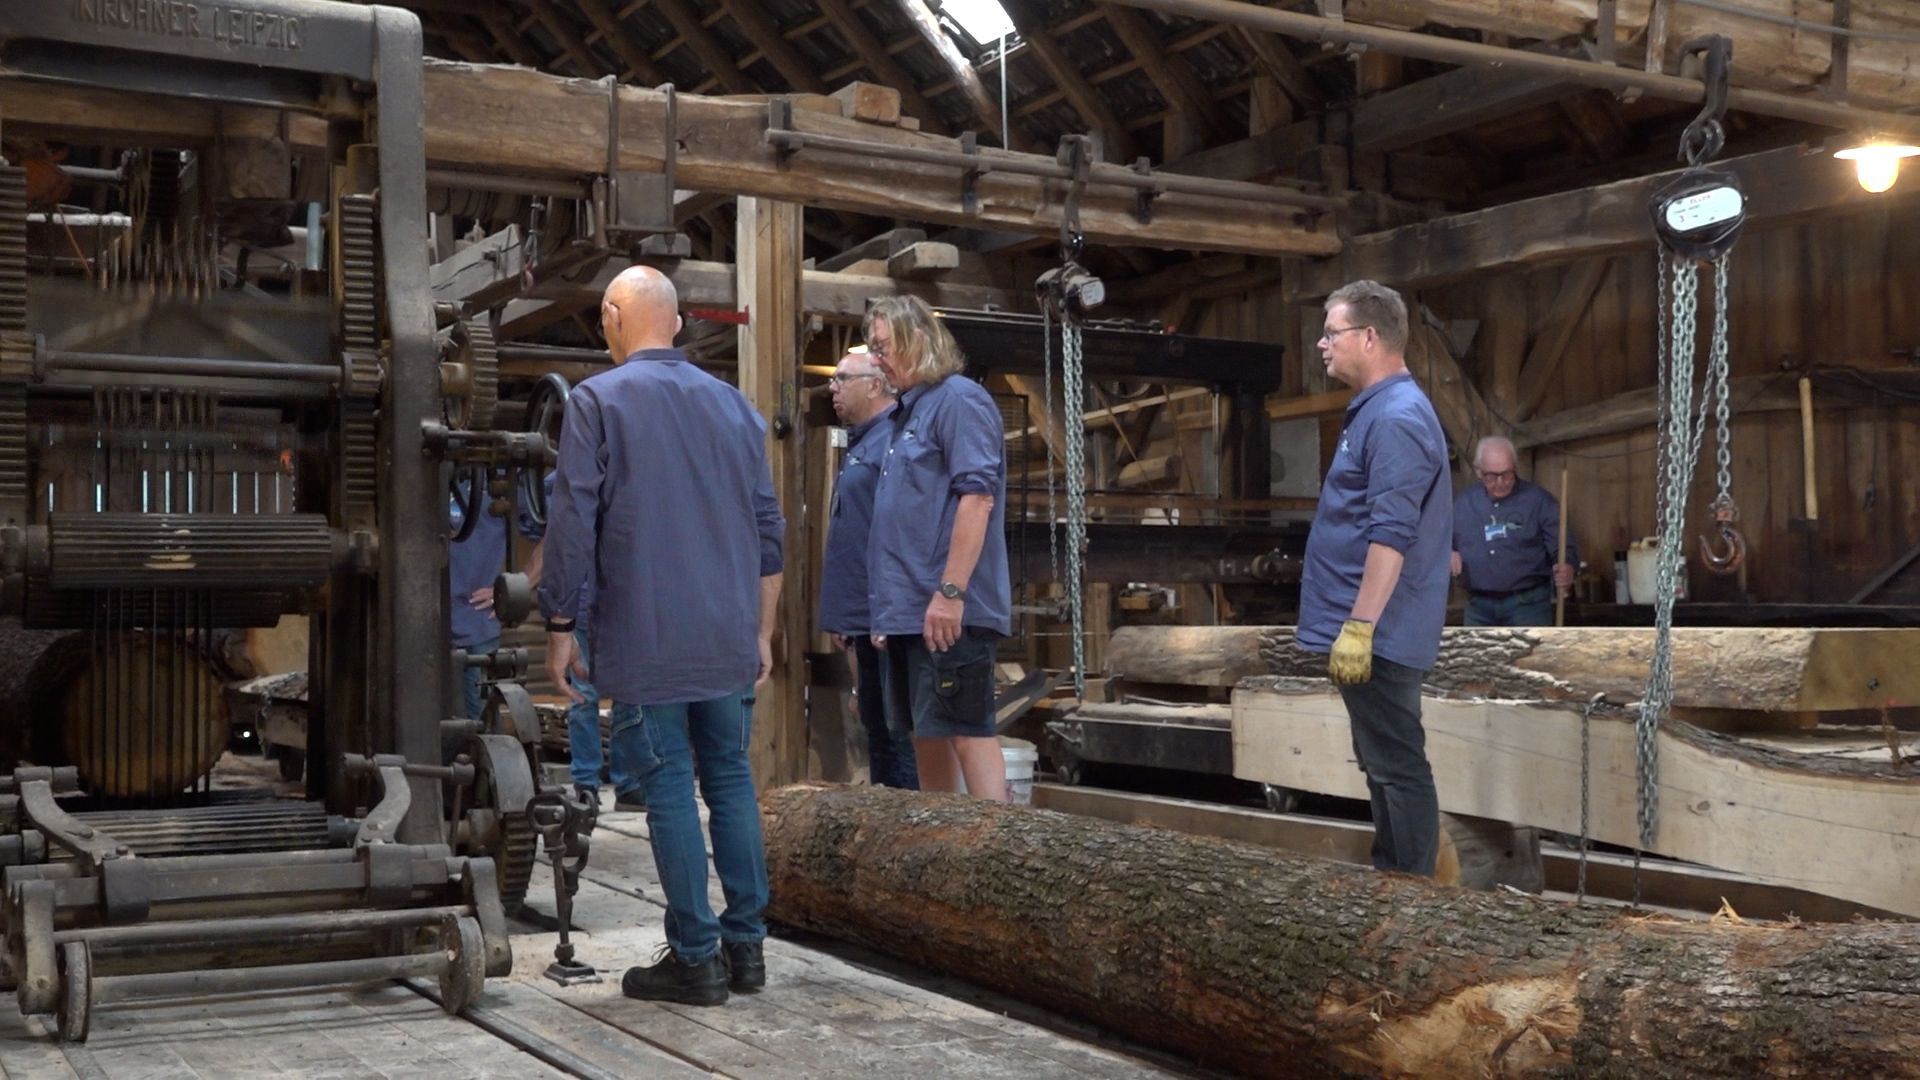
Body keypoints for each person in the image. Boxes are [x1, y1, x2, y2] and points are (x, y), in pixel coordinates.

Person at [538, 265, 783, 1006]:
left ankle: (696, 959)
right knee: (730, 779)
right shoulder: (736, 407)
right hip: (727, 632)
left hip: (646, 635)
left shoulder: (597, 401)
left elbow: (572, 521)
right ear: (674, 323)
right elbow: (768, 530)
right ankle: (746, 951)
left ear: (613, 318)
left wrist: (559, 621)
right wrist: (763, 629)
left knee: (671, 784)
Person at [1296, 280, 1450, 877]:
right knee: (1381, 762)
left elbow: (1391, 535)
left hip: (1380, 631)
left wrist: (1360, 625)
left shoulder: (1397, 417)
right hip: (1368, 629)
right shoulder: (1376, 411)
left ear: (1368, 337)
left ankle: (1409, 895)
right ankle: (1392, 880)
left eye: (1331, 333)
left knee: (1397, 766)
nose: (1322, 344)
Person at [864, 295, 1009, 801]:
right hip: (910, 612)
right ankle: (939, 841)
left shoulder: (959, 400)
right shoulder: (908, 412)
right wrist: (888, 610)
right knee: (926, 733)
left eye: (883, 347)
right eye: (872, 349)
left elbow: (977, 497)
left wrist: (950, 592)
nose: (877, 359)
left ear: (918, 339)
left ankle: (999, 841)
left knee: (967, 731)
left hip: (949, 608)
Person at [819, 349, 919, 790]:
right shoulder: (863, 442)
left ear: (876, 385)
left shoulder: (893, 442)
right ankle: (887, 819)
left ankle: (909, 820)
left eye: (842, 378)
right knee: (876, 726)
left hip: (887, 618)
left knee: (898, 732)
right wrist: (846, 613)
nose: (833, 387)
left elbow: (896, 532)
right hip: (865, 615)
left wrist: (884, 610)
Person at [1449, 435, 1578, 627]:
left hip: (1527, 605)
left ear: (1515, 468)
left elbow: (1563, 547)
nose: (1501, 482)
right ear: (1478, 471)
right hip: (1478, 607)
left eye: (1507, 474)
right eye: (1492, 476)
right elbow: (1441, 541)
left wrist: (1567, 566)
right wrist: (1448, 552)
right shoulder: (1464, 503)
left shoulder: (1538, 501)